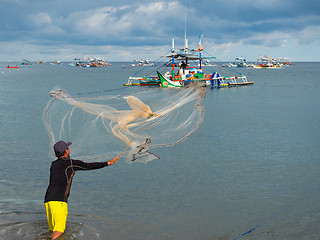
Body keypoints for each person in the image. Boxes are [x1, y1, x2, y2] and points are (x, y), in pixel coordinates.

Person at [44, 140, 119, 240]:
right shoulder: (71, 163)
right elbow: (88, 166)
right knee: (59, 231)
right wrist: (107, 163)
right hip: (59, 201)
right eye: (67, 148)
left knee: (53, 230)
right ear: (66, 151)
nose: (69, 149)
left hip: (48, 200)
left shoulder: (54, 164)